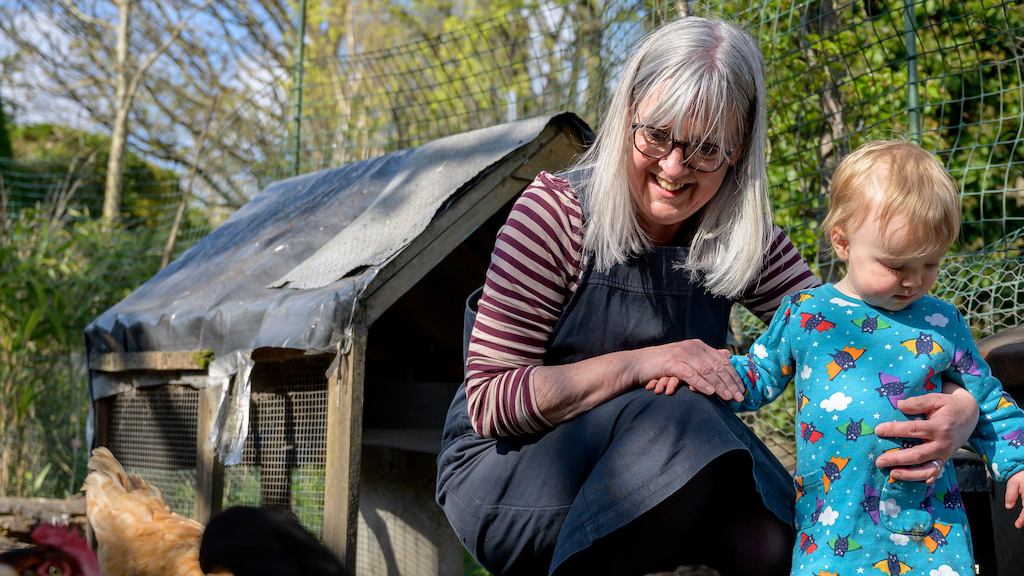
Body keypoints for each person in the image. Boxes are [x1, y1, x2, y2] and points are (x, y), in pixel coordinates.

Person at [435, 17, 980, 576]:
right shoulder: (552, 215)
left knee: (787, 521)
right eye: (657, 136)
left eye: (704, 150)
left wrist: (963, 407)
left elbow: (853, 332)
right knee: (687, 413)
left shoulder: (744, 238)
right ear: (627, 117)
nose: (674, 168)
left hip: (670, 474)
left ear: (738, 150)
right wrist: (645, 363)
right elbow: (493, 402)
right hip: (511, 478)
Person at [665, 140, 1024, 575]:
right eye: (895, 265)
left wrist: (1018, 463)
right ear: (842, 242)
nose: (913, 281)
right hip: (831, 533)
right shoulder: (807, 313)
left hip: (930, 535)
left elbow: (989, 402)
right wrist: (700, 374)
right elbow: (757, 376)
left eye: (930, 264)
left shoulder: (941, 321)